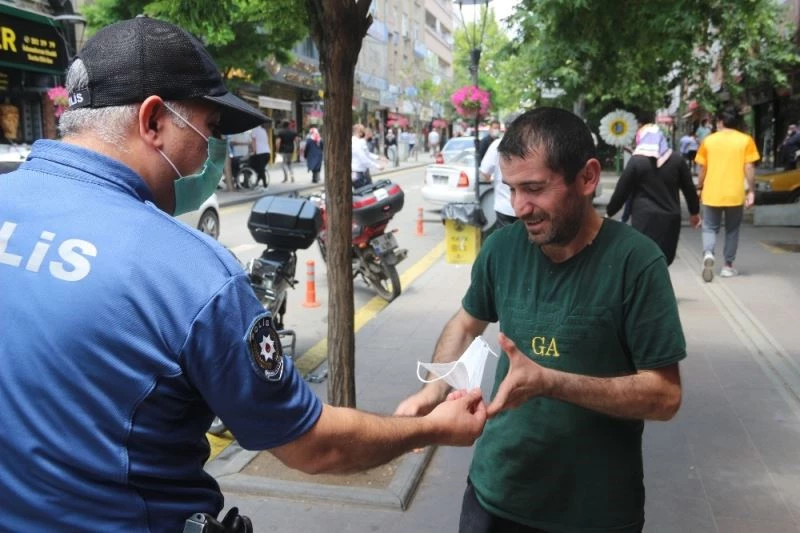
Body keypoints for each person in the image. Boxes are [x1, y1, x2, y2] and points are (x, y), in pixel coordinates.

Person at [0, 18, 487, 532]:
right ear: (152, 121)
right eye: (209, 129)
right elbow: (312, 445)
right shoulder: (188, 272)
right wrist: (430, 428)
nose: (212, 152)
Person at [397, 107, 685, 533]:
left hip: (595, 511)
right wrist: (434, 388)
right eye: (511, 189)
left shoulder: (637, 262)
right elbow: (465, 323)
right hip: (494, 495)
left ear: (587, 178)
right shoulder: (502, 248)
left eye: (534, 188)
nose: (519, 207)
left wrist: (551, 381)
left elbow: (665, 397)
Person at [607, 124, 701, 265]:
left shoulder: (637, 161)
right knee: (664, 259)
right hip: (670, 219)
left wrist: (610, 212)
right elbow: (689, 188)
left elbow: (622, 190)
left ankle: (647, 285)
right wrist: (694, 212)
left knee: (643, 259)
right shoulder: (676, 160)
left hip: (643, 219)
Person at [695, 108, 760, 281]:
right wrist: (751, 190)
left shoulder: (709, 141)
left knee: (709, 227)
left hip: (712, 192)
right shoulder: (746, 140)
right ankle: (727, 266)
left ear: (721, 122)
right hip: (735, 193)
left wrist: (699, 187)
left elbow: (702, 168)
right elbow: (749, 167)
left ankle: (708, 254)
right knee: (732, 230)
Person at [479, 116, 519, 230]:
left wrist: (493, 180)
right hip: (527, 207)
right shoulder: (531, 145)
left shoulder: (497, 145)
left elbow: (484, 172)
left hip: (504, 207)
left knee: (505, 242)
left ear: (505, 129)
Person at [352, 123, 383, 188]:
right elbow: (364, 159)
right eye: (362, 131)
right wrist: (377, 166)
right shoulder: (358, 142)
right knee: (365, 193)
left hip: (355, 172)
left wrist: (378, 158)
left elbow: (367, 154)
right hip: (359, 173)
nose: (363, 133)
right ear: (358, 131)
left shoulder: (353, 141)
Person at [249, 121, 271, 189]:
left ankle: (265, 185)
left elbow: (253, 142)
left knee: (260, 169)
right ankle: (257, 183)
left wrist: (254, 151)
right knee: (261, 169)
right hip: (267, 152)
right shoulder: (263, 130)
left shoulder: (254, 130)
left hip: (260, 153)